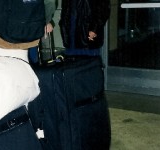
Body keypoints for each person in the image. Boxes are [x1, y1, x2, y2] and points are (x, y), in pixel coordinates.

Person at [27, 0, 111, 149]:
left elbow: (103, 8)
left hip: (87, 33)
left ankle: (90, 105)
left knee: (88, 72)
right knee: (73, 72)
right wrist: (63, 25)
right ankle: (75, 107)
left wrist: (95, 28)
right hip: (72, 34)